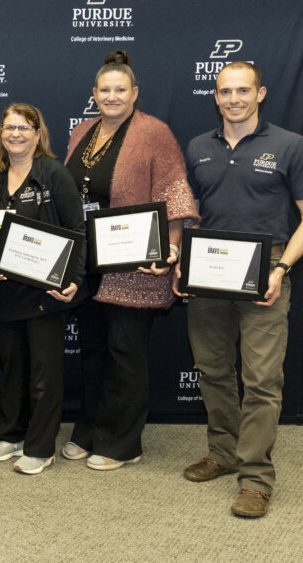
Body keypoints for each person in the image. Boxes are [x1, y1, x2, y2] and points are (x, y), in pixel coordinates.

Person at [178, 61, 303, 518]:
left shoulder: (290, 145)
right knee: (213, 369)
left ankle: (257, 479)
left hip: (266, 272)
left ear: (260, 94)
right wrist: (181, 261)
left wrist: (281, 267)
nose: (234, 99)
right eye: (225, 92)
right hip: (209, 272)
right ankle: (222, 452)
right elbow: (190, 211)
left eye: (243, 91)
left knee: (261, 379)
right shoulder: (199, 146)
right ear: (215, 96)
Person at [62, 50, 199, 471]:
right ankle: (89, 430)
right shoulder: (82, 131)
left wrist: (171, 249)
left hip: (136, 266)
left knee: (125, 354)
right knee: (93, 351)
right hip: (90, 265)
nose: (112, 96)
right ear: (94, 93)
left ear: (135, 93)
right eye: (105, 90)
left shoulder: (154, 132)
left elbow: (174, 191)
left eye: (120, 89)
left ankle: (123, 443)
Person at [0, 104, 86, 474]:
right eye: (9, 127)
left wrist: (75, 279)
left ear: (38, 134)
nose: (16, 134)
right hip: (6, 293)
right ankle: (12, 435)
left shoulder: (53, 173)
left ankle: (41, 447)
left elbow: (77, 228)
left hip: (45, 294)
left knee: (44, 374)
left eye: (24, 128)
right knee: (12, 370)